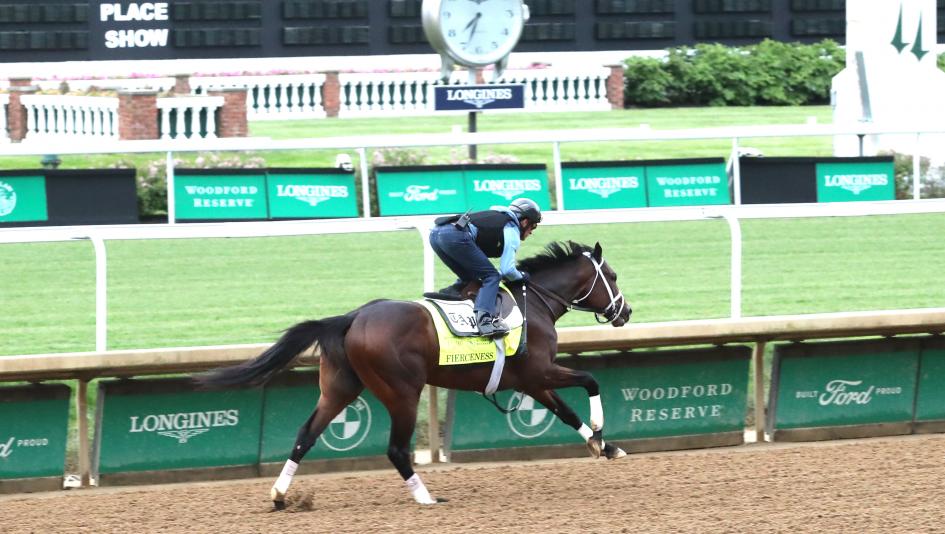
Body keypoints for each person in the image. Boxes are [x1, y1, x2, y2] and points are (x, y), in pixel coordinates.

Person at [428, 198, 541, 338]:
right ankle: (485, 322)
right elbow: (507, 270)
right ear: (525, 221)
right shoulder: (511, 228)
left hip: (435, 234)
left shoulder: (498, 217)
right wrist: (523, 276)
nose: (531, 232)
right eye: (533, 226)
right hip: (454, 236)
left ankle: (450, 294)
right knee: (492, 277)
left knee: (470, 277)